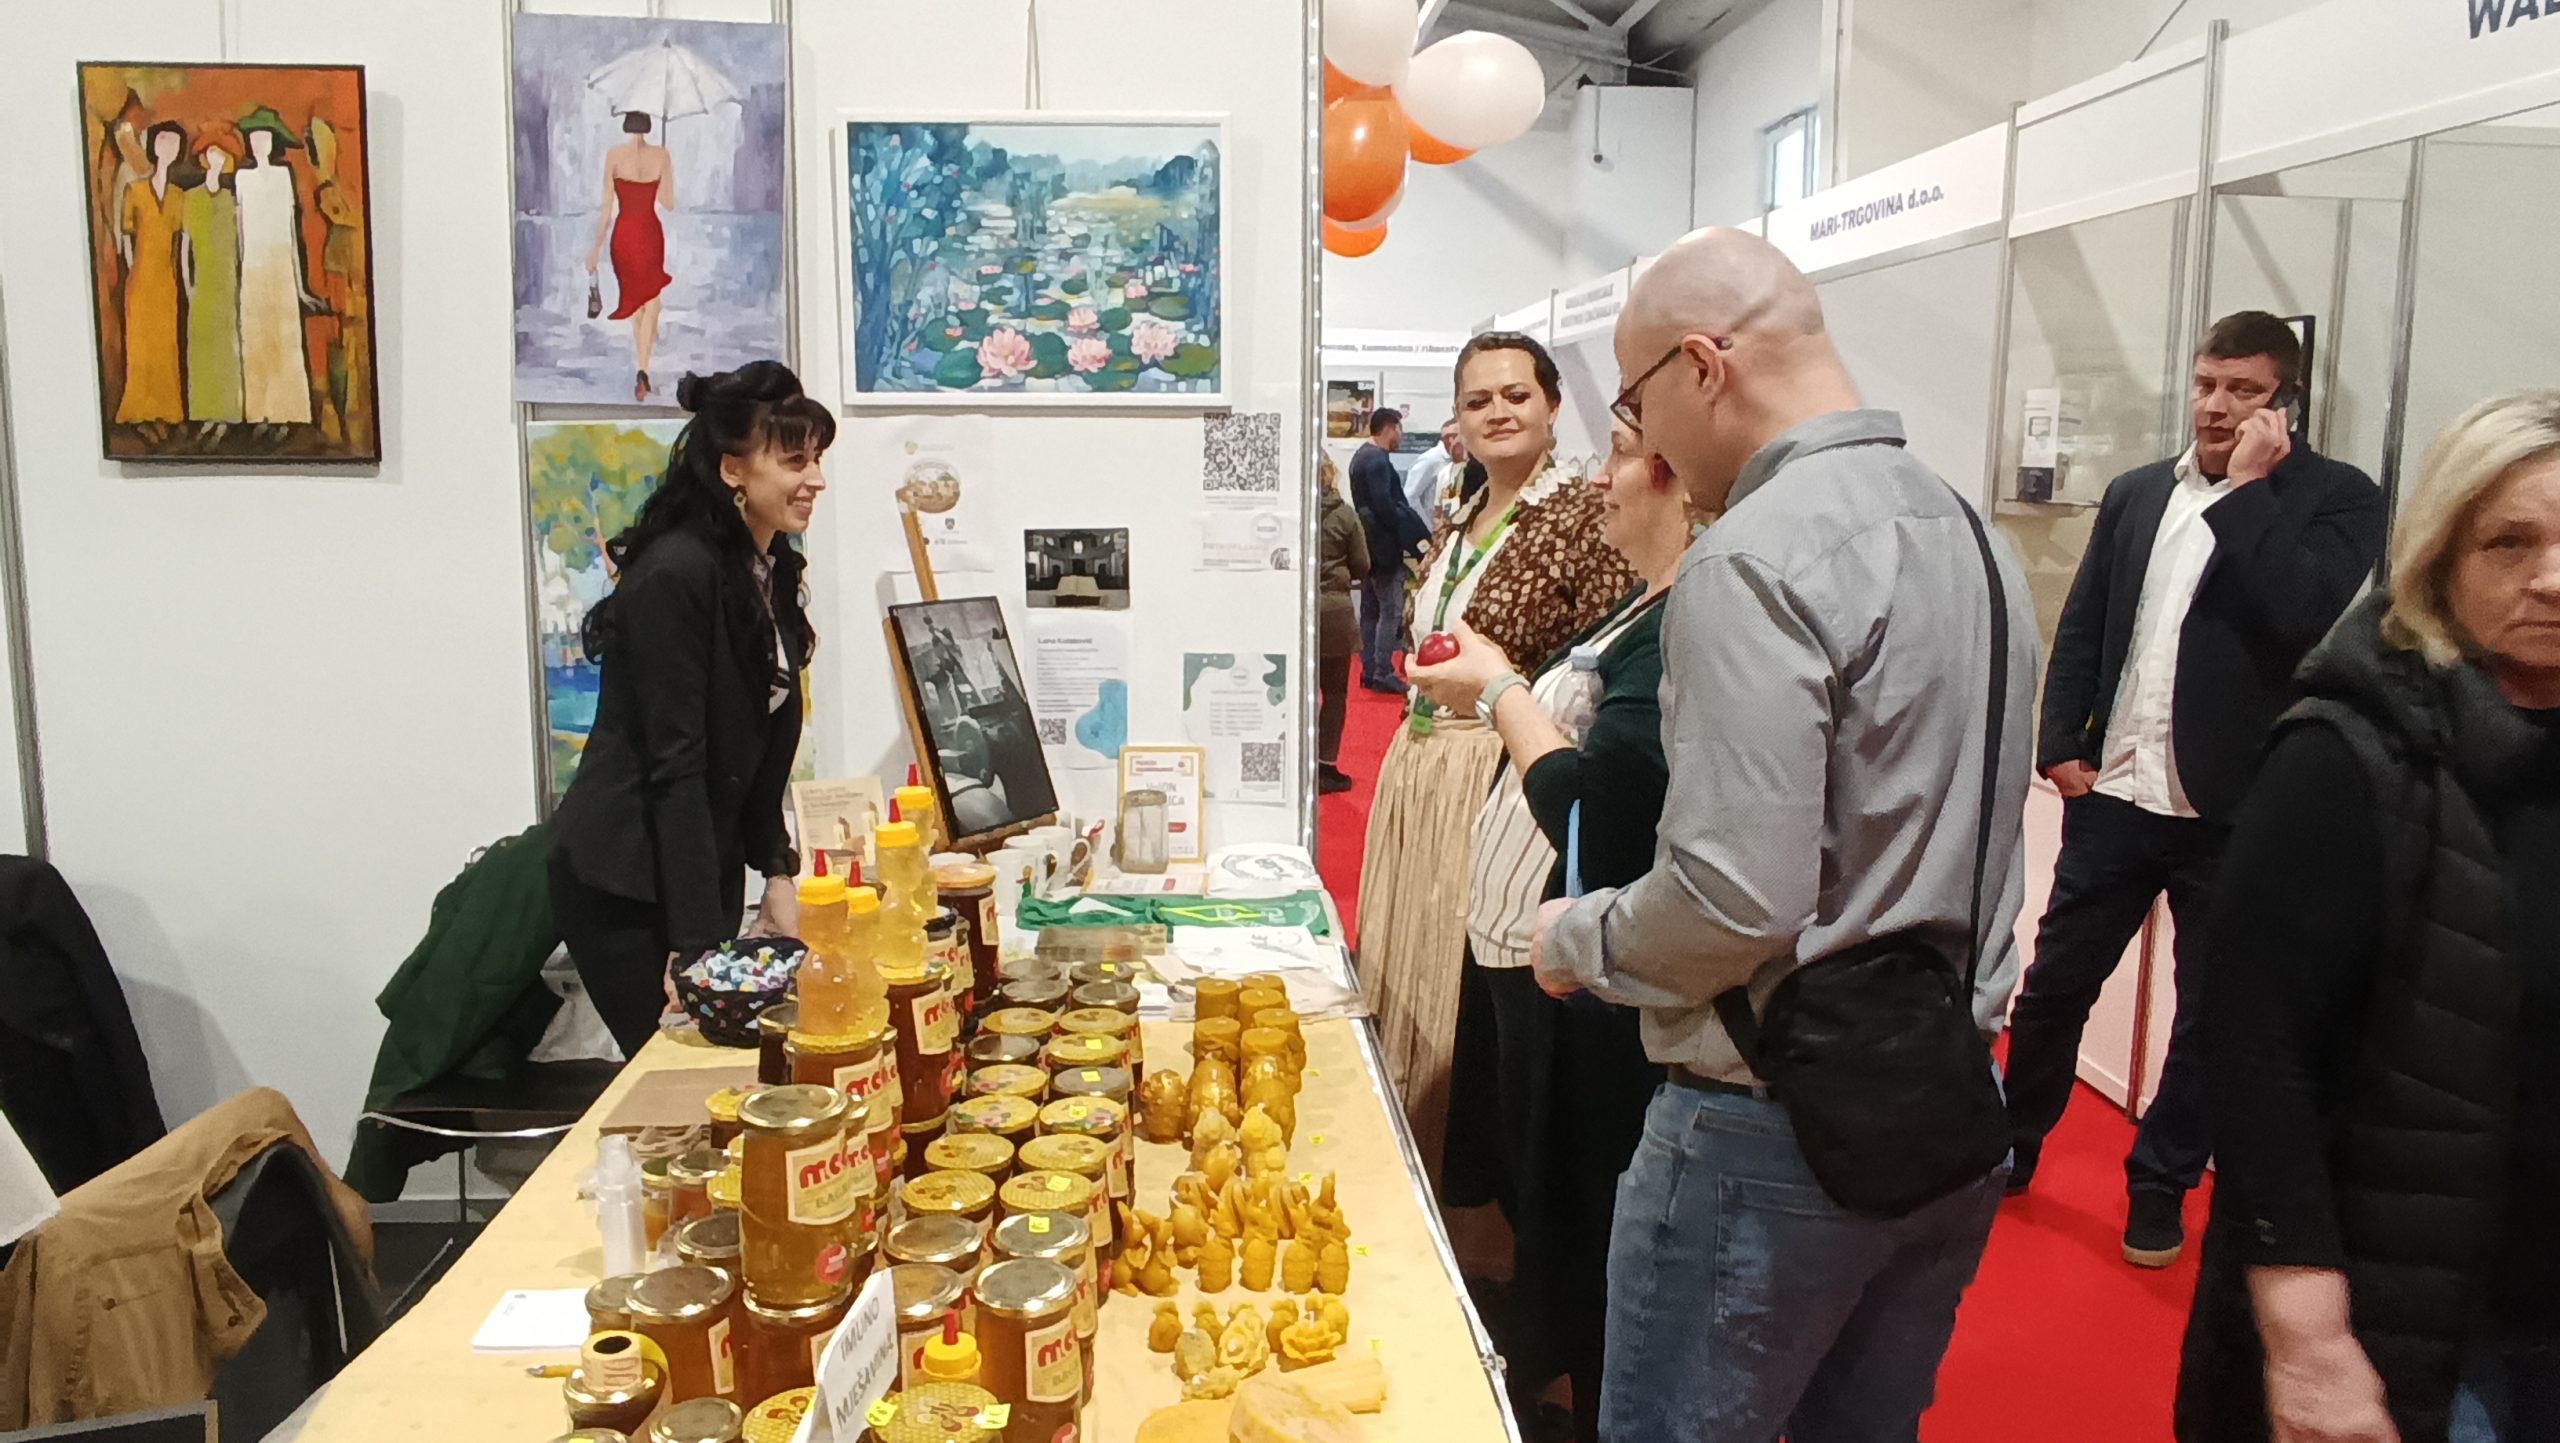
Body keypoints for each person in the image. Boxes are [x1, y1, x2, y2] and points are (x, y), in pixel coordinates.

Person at [1527, 228, 2037, 1440]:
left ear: (1703, 366)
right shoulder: (1971, 532)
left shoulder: (1752, 557)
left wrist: (1575, 939)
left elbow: (1732, 898)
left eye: (1635, 402)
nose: (1642, 441)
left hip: (1770, 1121)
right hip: (1948, 1095)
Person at [2175, 390, 2560, 1443]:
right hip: (2414, 1328)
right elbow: (2255, 1052)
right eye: (2510, 542)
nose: (2551, 577)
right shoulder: (2349, 752)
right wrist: (2308, 1342)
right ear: (2439, 558)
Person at [2005, 311, 2386, 1267]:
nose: (2216, 406)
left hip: (2236, 807)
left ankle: (2160, 1182)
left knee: (2210, 1015)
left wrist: (2251, 489)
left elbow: (2299, 610)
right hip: (2116, 793)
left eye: (2243, 390)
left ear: (2285, 401)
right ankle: (2010, 1144)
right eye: (2207, 383)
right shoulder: (2138, 493)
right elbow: (2087, 620)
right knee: (2054, 985)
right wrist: (2060, 739)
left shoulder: (2339, 499)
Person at [1412, 416, 1690, 1443]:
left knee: (1578, 1200)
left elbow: (1598, 812)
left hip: (1584, 966)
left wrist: (1497, 691)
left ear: (1672, 474)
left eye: (1616, 453)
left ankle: (1575, 1397)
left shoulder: (1677, 625)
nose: (1598, 480)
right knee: (1537, 1184)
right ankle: (1545, 1367)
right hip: (1529, 943)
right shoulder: (1640, 600)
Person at [1357, 332, 1636, 1174]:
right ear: (1457, 417)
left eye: (1517, 394)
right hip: (1422, 767)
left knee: (1461, 984)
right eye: (1478, 400)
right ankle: (1409, 1151)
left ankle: (1464, 1186)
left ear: (1552, 403)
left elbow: (1600, 671)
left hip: (1500, 774)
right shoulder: (1460, 510)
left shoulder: (1585, 518)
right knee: (1406, 964)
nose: (1498, 412)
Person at [547, 361, 830, 1058]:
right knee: (680, 1075)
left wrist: (777, 871)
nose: (816, 479)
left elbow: (757, 749)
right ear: (733, 470)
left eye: (817, 458)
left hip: (693, 870)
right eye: (795, 461)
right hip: (626, 882)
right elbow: (678, 767)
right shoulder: (675, 574)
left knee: (727, 1069)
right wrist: (697, 947)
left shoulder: (763, 570)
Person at [234, 111, 318, 434]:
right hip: (253, 266)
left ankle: (286, 413)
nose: (259, 143)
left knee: (284, 340)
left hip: (280, 263)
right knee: (255, 340)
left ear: (274, 142)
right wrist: (241, 269)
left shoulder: (284, 177)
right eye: (254, 138)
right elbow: (240, 231)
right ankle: (260, 414)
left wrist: (299, 284)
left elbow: (291, 231)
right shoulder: (242, 179)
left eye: (265, 138)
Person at [587, 109, 674, 403]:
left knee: (636, 305)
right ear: (649, 126)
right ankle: (643, 370)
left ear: (626, 125)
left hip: (623, 235)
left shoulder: (613, 156)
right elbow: (669, 203)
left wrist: (595, 249)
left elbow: (606, 208)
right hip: (649, 233)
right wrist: (660, 175)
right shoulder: (661, 155)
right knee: (652, 302)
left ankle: (642, 368)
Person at [113, 121, 185, 435]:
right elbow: (126, 234)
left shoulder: (178, 196)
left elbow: (179, 242)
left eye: (174, 143)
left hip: (166, 281)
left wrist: (176, 277)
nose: (168, 148)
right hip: (140, 278)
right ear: (153, 145)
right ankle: (139, 413)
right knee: (141, 344)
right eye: (163, 141)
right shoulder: (136, 190)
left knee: (165, 346)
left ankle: (166, 412)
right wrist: (134, 270)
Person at [1350, 409, 1427, 693]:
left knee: (1370, 610)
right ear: (1390, 428)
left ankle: (1369, 670)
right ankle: (1383, 670)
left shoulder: (1360, 457)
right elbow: (1386, 506)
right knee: (1390, 610)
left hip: (1368, 547)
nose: (1401, 436)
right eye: (1399, 429)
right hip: (1384, 548)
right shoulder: (1378, 460)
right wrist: (1408, 534)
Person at [179, 123, 244, 438]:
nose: (216, 158)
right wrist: (187, 284)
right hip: (202, 282)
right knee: (202, 348)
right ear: (203, 157)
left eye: (222, 154)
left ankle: (226, 415)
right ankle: (205, 413)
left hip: (227, 282)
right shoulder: (190, 198)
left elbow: (241, 246)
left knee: (227, 348)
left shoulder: (233, 200)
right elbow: (184, 247)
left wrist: (241, 284)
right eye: (211, 152)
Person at [1316, 452, 1371, 795]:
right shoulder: (1345, 515)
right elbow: (1362, 564)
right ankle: (1325, 766)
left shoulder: (1288, 513)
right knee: (1334, 693)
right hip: (1334, 612)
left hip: (1293, 614)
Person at [1407, 419, 1464, 530]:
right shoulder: (1430, 460)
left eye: (1454, 435)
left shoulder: (1468, 461)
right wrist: (1427, 527)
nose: (1450, 440)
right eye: (1446, 437)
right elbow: (1410, 496)